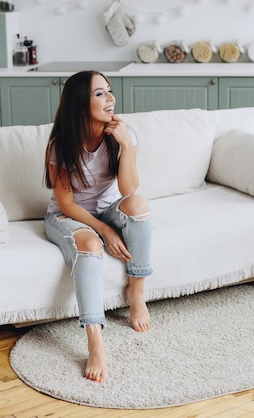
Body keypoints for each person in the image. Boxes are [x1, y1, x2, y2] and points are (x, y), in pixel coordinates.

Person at [44, 70, 153, 383]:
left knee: (139, 205)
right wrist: (103, 231)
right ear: (80, 105)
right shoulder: (61, 144)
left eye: (109, 91)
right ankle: (95, 339)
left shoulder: (122, 134)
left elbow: (129, 190)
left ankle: (137, 291)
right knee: (90, 244)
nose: (110, 99)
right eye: (100, 94)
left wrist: (127, 147)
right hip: (66, 217)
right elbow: (66, 204)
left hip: (108, 210)